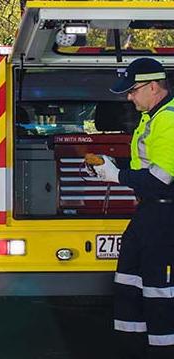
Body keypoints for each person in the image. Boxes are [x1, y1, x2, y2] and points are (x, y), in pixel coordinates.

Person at [93, 58, 174, 359]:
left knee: (159, 295)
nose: (129, 97)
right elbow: (147, 167)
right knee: (129, 286)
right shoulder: (152, 118)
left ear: (154, 87)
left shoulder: (168, 119)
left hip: (164, 217)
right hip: (149, 215)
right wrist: (111, 168)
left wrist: (117, 175)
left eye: (133, 90)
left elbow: (161, 180)